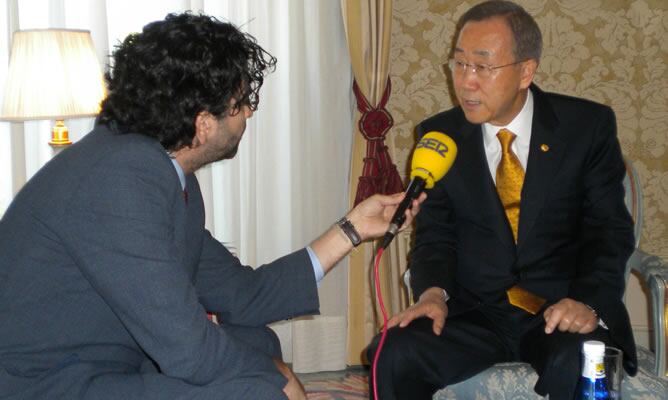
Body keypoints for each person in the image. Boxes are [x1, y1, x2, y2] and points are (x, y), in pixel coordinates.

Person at [0, 13, 424, 400]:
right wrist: (275, 379)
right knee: (257, 391)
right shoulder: (120, 176)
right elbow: (186, 350)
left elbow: (244, 295)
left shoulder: (160, 169)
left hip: (105, 357)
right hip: (48, 382)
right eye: (241, 104)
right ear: (203, 124)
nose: (250, 113)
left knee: (258, 341)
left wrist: (352, 228)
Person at [367, 1, 636, 399]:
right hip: (472, 313)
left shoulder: (586, 128)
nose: (466, 81)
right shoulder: (439, 137)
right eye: (459, 64)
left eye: (483, 66)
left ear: (526, 71)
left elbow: (608, 231)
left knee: (579, 362)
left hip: (558, 309)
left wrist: (589, 304)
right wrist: (432, 295)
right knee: (391, 353)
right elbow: (435, 237)